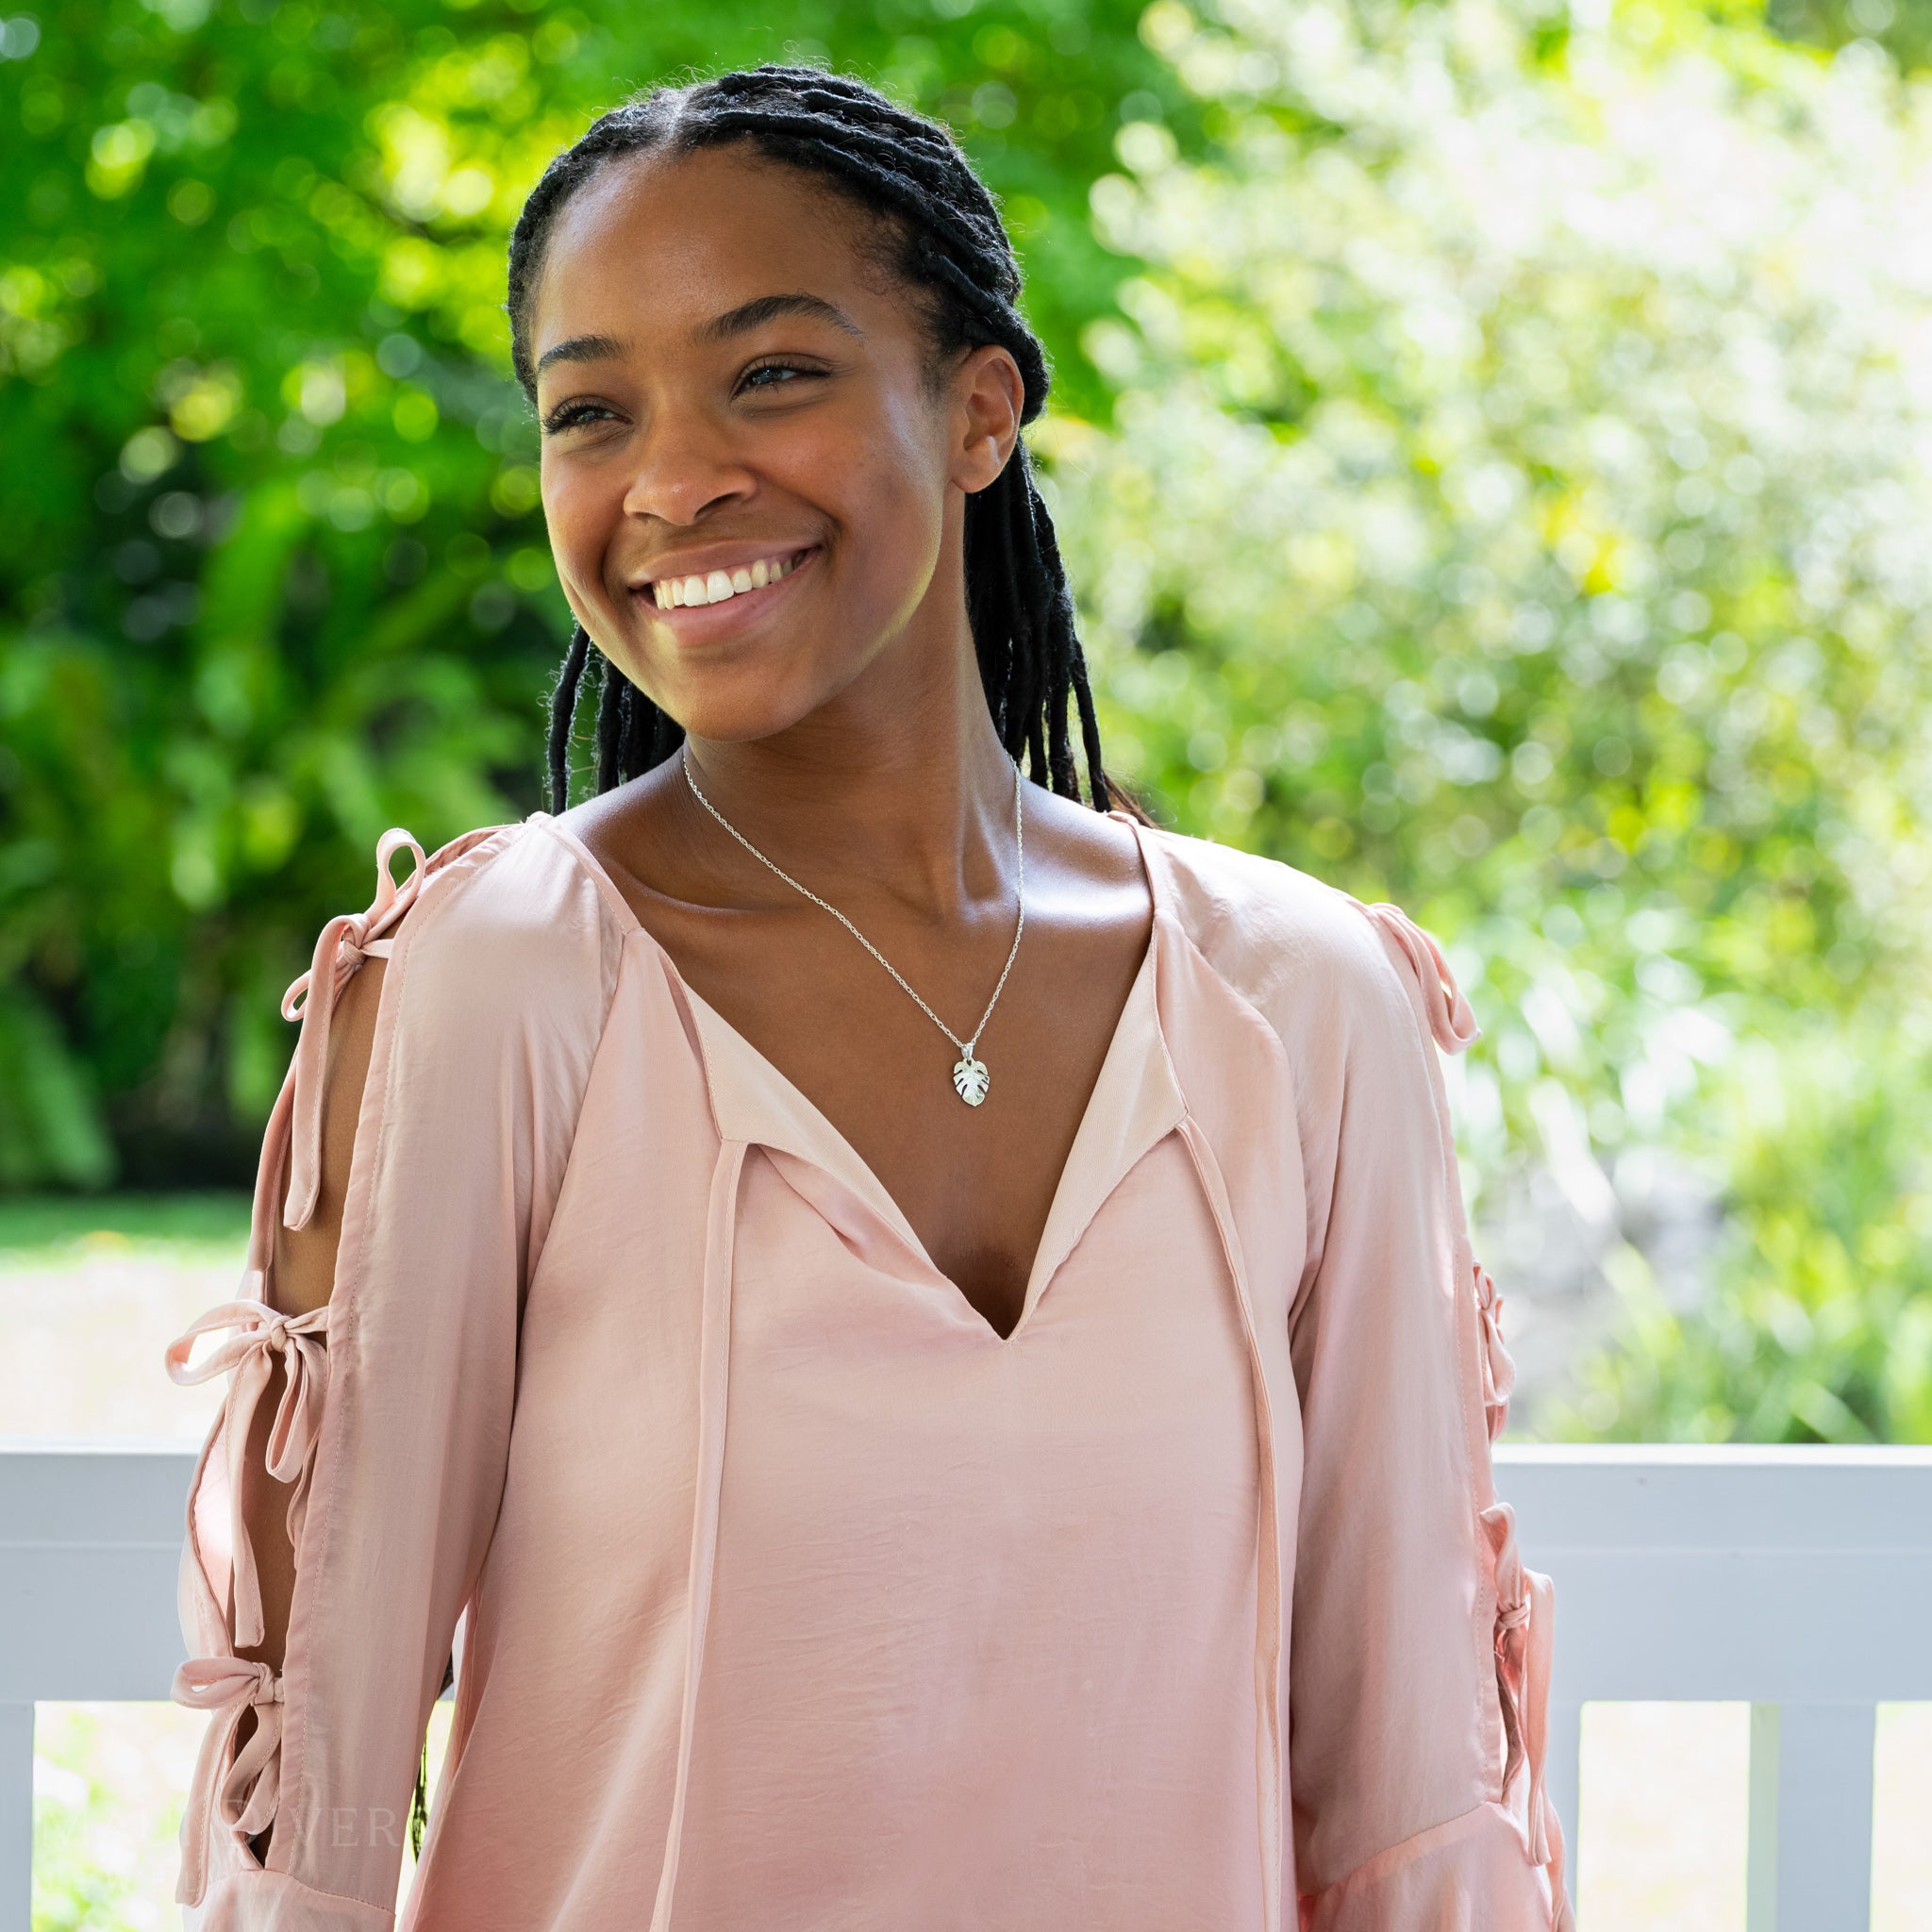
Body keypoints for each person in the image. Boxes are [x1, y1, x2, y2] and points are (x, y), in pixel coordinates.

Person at [163, 65, 1573, 1931]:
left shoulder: (1306, 1003)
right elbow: (314, 1816)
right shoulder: (495, 988)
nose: (670, 478)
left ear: (979, 405)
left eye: (770, 373)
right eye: (591, 408)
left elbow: (1405, 1794)